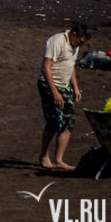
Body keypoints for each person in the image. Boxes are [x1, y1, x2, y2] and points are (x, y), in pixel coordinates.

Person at [38, 22, 90, 170]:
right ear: (73, 34)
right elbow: (46, 68)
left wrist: (76, 88)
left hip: (65, 86)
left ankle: (59, 159)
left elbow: (71, 65)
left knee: (68, 122)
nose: (79, 45)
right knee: (54, 121)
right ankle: (44, 156)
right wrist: (54, 92)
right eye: (80, 41)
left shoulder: (75, 44)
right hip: (49, 85)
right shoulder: (57, 41)